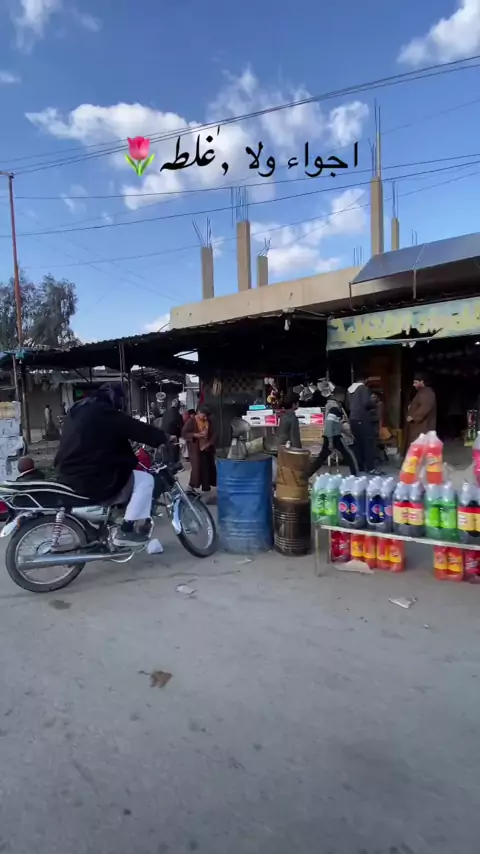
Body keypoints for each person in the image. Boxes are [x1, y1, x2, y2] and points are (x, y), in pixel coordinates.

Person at [54, 383, 168, 547]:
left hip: (67, 472)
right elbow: (134, 428)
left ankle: (110, 522)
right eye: (121, 399)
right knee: (145, 480)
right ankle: (126, 530)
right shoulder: (104, 412)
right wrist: (163, 438)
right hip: (88, 476)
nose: (121, 404)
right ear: (113, 397)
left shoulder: (78, 409)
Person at [309, 387, 359, 477]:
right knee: (349, 455)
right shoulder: (334, 407)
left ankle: (306, 474)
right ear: (340, 395)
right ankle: (355, 476)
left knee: (321, 459)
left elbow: (335, 423)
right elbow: (330, 424)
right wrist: (331, 441)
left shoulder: (332, 405)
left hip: (329, 435)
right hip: (334, 436)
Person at [347, 373, 378, 474]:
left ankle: (359, 466)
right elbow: (367, 403)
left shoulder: (349, 390)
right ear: (365, 380)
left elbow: (347, 406)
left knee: (358, 444)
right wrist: (374, 402)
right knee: (368, 443)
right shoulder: (363, 388)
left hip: (353, 419)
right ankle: (370, 468)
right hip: (363, 418)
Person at [182, 405, 217, 492]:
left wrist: (209, 443)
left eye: (206, 416)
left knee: (207, 467)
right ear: (198, 413)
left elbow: (214, 433)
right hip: (196, 449)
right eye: (203, 416)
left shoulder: (209, 421)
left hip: (207, 448)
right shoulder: (192, 421)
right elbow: (184, 433)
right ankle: (192, 485)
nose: (205, 418)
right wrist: (195, 435)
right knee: (197, 468)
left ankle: (206, 486)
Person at [405, 372, 437, 448]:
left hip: (422, 427)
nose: (414, 385)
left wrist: (413, 417)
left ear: (422, 382)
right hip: (418, 427)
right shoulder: (422, 392)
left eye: (416, 382)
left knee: (419, 447)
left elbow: (425, 407)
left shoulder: (428, 393)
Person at [162, 398, 184, 464]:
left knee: (166, 455)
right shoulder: (178, 415)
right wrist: (181, 435)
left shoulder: (165, 413)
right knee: (174, 456)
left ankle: (167, 465)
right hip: (174, 437)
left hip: (164, 436)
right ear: (178, 406)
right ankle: (174, 465)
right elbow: (181, 427)